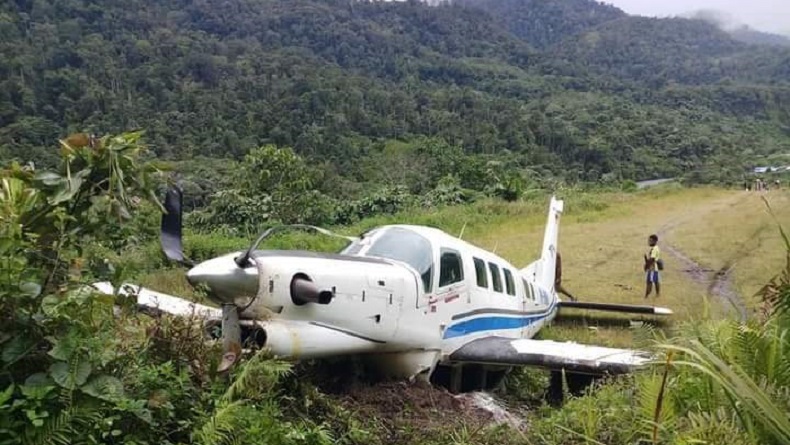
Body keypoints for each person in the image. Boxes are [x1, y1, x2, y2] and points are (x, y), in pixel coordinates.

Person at [644, 234, 661, 299]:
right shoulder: (656, 248)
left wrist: (646, 265)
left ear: (654, 241)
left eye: (650, 241)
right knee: (656, 281)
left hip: (652, 268)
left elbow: (652, 259)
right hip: (655, 268)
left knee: (649, 282)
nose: (649, 242)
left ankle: (646, 296)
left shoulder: (654, 249)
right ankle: (658, 294)